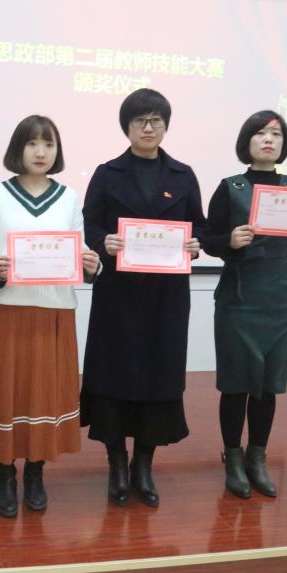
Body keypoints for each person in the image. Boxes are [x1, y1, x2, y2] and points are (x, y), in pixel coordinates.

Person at [201, 110, 287, 499]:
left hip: (280, 299)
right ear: (246, 141)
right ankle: (233, 459)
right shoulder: (229, 187)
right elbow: (207, 239)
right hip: (239, 297)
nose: (268, 140)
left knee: (268, 385)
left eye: (276, 135)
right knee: (236, 384)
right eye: (260, 133)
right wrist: (229, 242)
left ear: (284, 144)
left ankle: (257, 458)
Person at [0, 115, 101, 517]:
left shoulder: (68, 197)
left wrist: (90, 263)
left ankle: (36, 471)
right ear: (18, 148)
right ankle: (4, 473)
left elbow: (78, 249)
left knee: (46, 391)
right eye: (32, 143)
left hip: (55, 311)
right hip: (8, 311)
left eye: (48, 144)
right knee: (6, 391)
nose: (41, 152)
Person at [81, 88, 205, 508]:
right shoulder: (107, 173)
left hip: (166, 298)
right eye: (140, 121)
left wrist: (196, 244)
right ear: (127, 127)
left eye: (155, 120)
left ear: (166, 126)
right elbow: (89, 223)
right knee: (114, 375)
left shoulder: (183, 175)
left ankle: (144, 466)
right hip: (118, 294)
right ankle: (117, 464)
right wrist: (102, 241)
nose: (148, 127)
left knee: (158, 375)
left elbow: (199, 226)